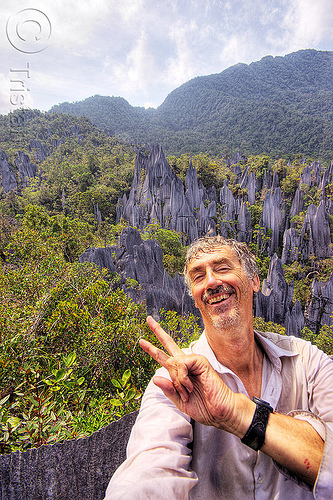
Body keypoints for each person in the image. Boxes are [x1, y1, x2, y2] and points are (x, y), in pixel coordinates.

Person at [105, 235, 333, 499]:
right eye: (198, 277)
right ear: (194, 297)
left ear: (255, 281)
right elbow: (148, 472)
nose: (211, 282)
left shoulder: (308, 361)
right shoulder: (175, 384)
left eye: (223, 268)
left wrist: (237, 411)